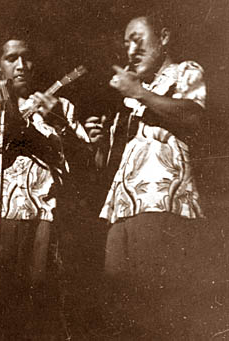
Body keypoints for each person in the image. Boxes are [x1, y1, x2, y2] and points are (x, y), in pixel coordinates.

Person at [0, 34, 90, 339]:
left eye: (26, 57)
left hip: (42, 219)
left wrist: (59, 123)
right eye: (12, 59)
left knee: (36, 312)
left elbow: (87, 166)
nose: (21, 65)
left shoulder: (58, 106)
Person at [85, 12, 207, 339]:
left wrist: (139, 93)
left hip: (161, 202)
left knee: (157, 302)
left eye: (138, 39)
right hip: (121, 209)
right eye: (126, 44)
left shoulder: (185, 71)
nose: (131, 50)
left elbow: (194, 116)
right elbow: (108, 165)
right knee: (122, 307)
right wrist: (99, 144)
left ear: (164, 37)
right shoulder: (130, 99)